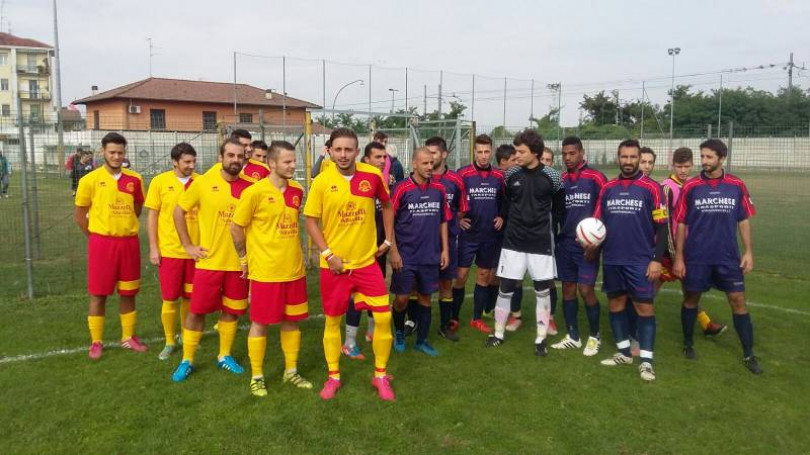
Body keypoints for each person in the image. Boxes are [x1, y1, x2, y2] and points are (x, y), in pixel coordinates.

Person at [303, 127, 396, 401]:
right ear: (330, 151)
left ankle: (380, 375)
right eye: (338, 149)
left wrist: (388, 241)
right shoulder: (321, 181)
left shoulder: (373, 176)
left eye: (348, 149)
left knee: (383, 317)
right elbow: (310, 220)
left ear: (357, 151)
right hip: (334, 266)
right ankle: (333, 376)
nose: (343, 154)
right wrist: (329, 254)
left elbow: (388, 206)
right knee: (333, 322)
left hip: (367, 263)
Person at [231, 140, 314, 397]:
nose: (292, 166)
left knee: (292, 322)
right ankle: (257, 375)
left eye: (293, 161)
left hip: (294, 270)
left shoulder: (297, 190)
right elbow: (236, 228)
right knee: (260, 323)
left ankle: (291, 371)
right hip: (265, 272)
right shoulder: (254, 193)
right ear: (272, 163)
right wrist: (244, 258)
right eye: (287, 162)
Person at [673, 139, 762, 374]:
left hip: (727, 257)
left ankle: (748, 353)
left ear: (721, 158)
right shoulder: (691, 186)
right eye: (702, 156)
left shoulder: (736, 185)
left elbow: (743, 219)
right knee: (691, 300)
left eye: (709, 157)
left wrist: (749, 252)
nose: (704, 161)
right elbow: (681, 223)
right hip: (696, 257)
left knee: (738, 301)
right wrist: (679, 257)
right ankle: (688, 344)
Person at [170, 138, 253, 382]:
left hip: (239, 264)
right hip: (210, 263)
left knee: (232, 311)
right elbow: (178, 211)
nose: (236, 160)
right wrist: (188, 245)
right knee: (197, 312)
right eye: (231, 155)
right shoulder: (204, 182)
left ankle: (224, 355)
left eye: (240, 156)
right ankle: (187, 360)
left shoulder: (252, 187)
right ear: (221, 157)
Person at [592, 139, 668, 382]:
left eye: (632, 157)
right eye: (624, 157)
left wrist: (657, 259)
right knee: (615, 305)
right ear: (618, 158)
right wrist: (591, 244)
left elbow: (663, 227)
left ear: (639, 158)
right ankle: (624, 352)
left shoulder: (653, 188)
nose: (628, 161)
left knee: (644, 308)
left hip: (640, 260)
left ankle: (646, 361)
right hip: (613, 258)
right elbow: (597, 223)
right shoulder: (608, 188)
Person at [484, 130, 563, 357]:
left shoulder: (553, 177)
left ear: (535, 153)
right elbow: (507, 203)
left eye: (521, 152)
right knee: (505, 288)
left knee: (542, 291)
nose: (516, 155)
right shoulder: (511, 175)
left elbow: (558, 210)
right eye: (515, 150)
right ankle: (497, 333)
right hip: (513, 242)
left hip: (541, 243)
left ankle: (540, 339)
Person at [74, 132, 147, 359]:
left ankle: (128, 337)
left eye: (120, 152)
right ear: (102, 151)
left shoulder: (135, 179)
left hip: (128, 243)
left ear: (125, 153)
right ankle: (96, 341)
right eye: (112, 152)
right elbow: (80, 214)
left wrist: (124, 226)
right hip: (102, 244)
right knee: (98, 294)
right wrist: (95, 237)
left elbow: (137, 208)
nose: (116, 156)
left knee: (128, 292)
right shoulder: (90, 180)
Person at [390, 147, 451, 356]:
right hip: (406, 255)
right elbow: (390, 222)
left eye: (431, 163)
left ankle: (421, 340)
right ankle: (398, 330)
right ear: (414, 164)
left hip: (430, 254)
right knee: (402, 299)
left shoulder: (439, 189)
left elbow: (443, 220)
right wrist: (394, 252)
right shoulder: (401, 189)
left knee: (426, 297)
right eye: (424, 163)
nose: (429, 167)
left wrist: (445, 250)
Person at [659, 148, 727, 336]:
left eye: (686, 166)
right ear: (672, 165)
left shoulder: (694, 185)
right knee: (649, 290)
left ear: (692, 165)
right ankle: (635, 325)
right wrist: (673, 254)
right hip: (668, 250)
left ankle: (706, 324)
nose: (683, 170)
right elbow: (664, 222)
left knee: (690, 289)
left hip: (689, 249)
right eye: (679, 166)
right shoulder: (667, 187)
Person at [551, 137, 607, 356]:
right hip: (565, 243)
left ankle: (594, 336)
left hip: (588, 246)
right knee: (567, 289)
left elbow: (604, 208)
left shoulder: (595, 177)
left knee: (586, 290)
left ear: (582, 153)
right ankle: (573, 336)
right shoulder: (561, 179)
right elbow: (556, 211)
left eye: (572, 153)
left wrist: (595, 242)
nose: (567, 157)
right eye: (564, 154)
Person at [145, 143, 200, 360]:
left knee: (190, 298)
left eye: (193, 161)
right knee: (170, 299)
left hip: (196, 252)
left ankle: (186, 336)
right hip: (169, 251)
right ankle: (169, 340)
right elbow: (152, 216)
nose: (191, 166)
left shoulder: (201, 182)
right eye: (187, 162)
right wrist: (153, 247)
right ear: (174, 162)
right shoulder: (160, 182)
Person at [341, 141, 388, 360]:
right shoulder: (357, 184)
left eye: (384, 157)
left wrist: (387, 243)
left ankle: (371, 332)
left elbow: (388, 215)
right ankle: (349, 342)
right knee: (355, 298)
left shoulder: (382, 183)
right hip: (357, 253)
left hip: (378, 250)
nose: (382, 161)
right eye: (377, 157)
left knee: (376, 295)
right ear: (366, 160)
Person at [453, 134, 504, 334]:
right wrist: (457, 219)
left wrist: (502, 216)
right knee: (461, 276)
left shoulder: (499, 176)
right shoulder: (463, 174)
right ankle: (454, 317)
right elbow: (452, 200)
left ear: (491, 151)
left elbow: (505, 201)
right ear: (473, 152)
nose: (483, 156)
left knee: (484, 275)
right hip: (468, 235)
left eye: (486, 152)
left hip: (489, 235)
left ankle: (476, 318)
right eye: (479, 152)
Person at [426, 136, 468, 342]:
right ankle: (414, 322)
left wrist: (449, 225)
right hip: (422, 242)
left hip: (447, 242)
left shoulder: (456, 180)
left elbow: (461, 210)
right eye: (427, 152)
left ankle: (445, 325)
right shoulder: (420, 178)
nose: (430, 157)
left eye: (433, 152)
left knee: (445, 284)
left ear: (444, 154)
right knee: (419, 284)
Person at [489, 144, 525, 332]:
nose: (517, 161)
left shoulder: (520, 178)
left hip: (518, 232)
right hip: (499, 232)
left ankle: (516, 315)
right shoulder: (498, 179)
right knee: (497, 274)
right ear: (503, 163)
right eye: (513, 160)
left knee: (515, 275)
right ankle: (493, 308)